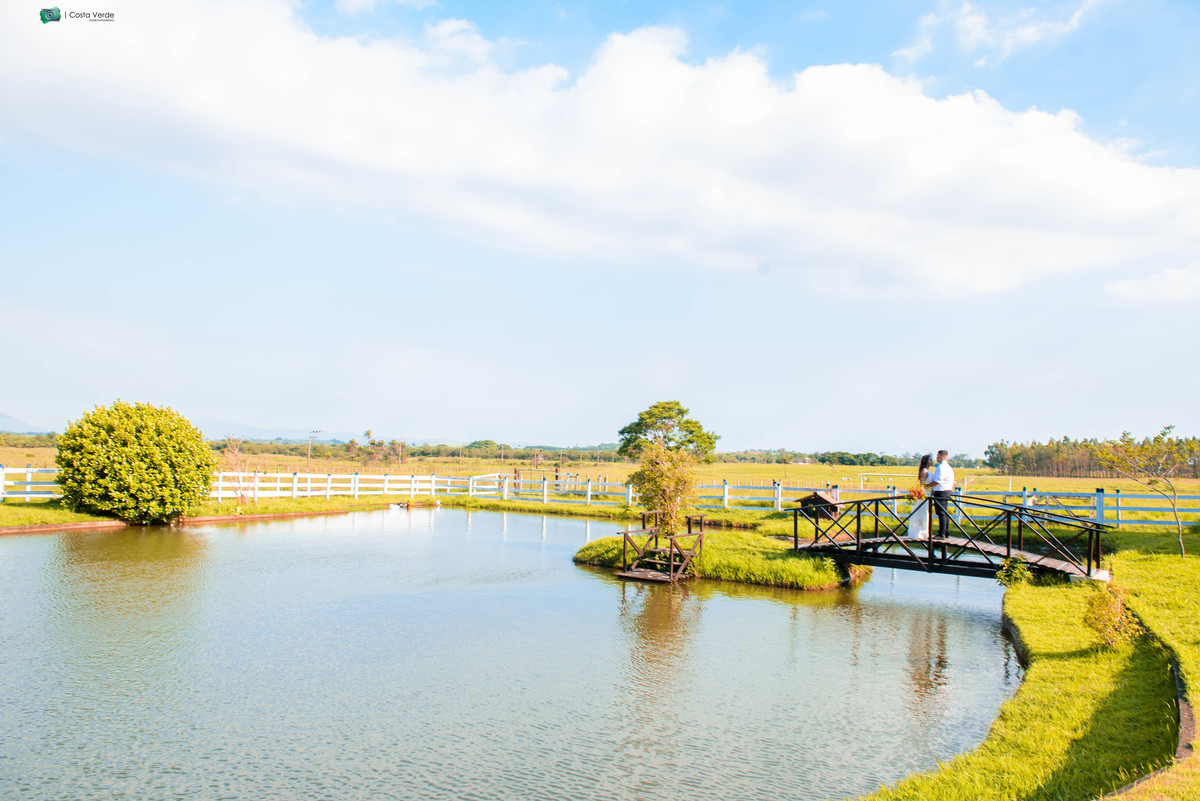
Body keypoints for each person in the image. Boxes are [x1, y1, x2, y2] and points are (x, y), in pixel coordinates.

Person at [929, 450, 956, 537]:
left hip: (941, 491)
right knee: (944, 512)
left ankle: (942, 533)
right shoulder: (948, 467)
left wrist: (928, 485)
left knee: (941, 512)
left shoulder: (941, 467)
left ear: (942, 456)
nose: (936, 458)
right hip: (946, 490)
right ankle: (946, 532)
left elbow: (937, 481)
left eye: (938, 456)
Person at [908, 454, 935, 539]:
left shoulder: (928, 471)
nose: (931, 461)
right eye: (930, 460)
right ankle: (920, 532)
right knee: (923, 513)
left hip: (929, 493)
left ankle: (925, 531)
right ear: (926, 461)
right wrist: (922, 495)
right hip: (925, 494)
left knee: (926, 513)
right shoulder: (924, 471)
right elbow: (922, 484)